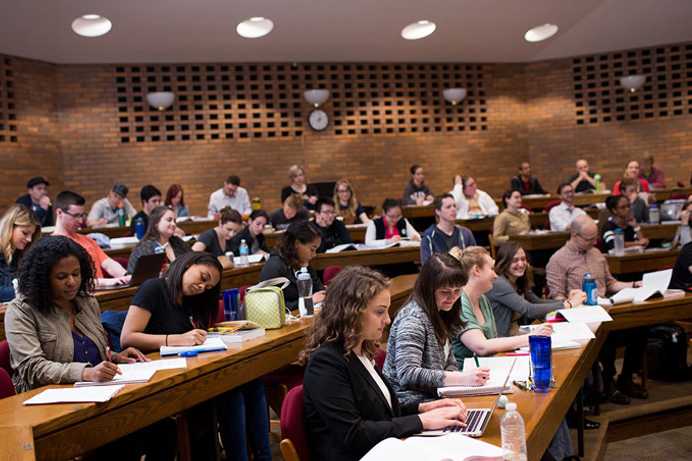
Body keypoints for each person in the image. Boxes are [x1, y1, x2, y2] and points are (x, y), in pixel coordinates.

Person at [4, 236, 174, 460]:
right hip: (50, 407)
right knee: (118, 439)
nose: (72, 282)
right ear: (42, 278)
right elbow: (33, 369)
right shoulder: (21, 311)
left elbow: (92, 350)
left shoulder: (87, 301)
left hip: (98, 398)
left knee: (162, 427)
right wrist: (86, 372)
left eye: (76, 274)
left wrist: (114, 357)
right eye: (62, 277)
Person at [302, 266, 469, 461]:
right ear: (351, 312)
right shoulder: (326, 362)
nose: (388, 320)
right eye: (380, 312)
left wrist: (424, 408)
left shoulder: (361, 351)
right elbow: (353, 434)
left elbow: (383, 412)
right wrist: (421, 421)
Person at [120, 252, 271, 461]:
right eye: (203, 278)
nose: (202, 287)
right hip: (161, 375)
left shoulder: (192, 300)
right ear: (189, 264)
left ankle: (264, 456)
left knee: (253, 382)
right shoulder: (154, 288)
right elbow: (127, 338)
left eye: (208, 287)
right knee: (232, 394)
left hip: (191, 366)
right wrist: (176, 339)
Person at [546, 215, 647, 403]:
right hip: (582, 319)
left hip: (606, 309)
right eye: (589, 239)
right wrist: (575, 301)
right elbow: (556, 297)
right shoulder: (558, 259)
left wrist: (635, 285)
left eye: (595, 238)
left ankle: (625, 378)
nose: (594, 242)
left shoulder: (596, 253)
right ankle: (607, 386)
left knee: (640, 329)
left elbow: (611, 283)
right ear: (574, 235)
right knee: (604, 338)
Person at [384, 253, 489, 408]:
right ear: (428, 289)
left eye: (457, 291)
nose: (452, 297)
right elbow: (407, 374)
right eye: (445, 292)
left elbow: (449, 362)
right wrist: (461, 379)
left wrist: (456, 381)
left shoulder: (442, 312)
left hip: (436, 397)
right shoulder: (412, 319)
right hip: (411, 405)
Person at [449, 246, 552, 365]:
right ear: (477, 270)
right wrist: (531, 337)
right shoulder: (460, 303)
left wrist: (532, 333)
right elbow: (481, 347)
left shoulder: (482, 299)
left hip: (489, 369)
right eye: (492, 269)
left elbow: (493, 341)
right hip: (467, 377)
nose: (495, 275)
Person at [487, 241, 585, 337]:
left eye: (523, 259)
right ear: (504, 262)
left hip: (517, 333)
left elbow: (536, 301)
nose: (521, 264)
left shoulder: (518, 280)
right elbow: (529, 309)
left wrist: (568, 300)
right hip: (502, 340)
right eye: (515, 260)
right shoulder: (499, 283)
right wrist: (568, 304)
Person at [52, 191, 131, 288]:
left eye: (81, 215)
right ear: (59, 213)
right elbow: (73, 281)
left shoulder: (87, 240)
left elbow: (108, 264)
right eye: (76, 216)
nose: (80, 221)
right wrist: (107, 282)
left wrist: (126, 276)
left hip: (101, 293)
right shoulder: (53, 245)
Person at [259, 221, 325, 309]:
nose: (314, 255)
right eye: (312, 249)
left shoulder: (302, 262)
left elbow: (319, 289)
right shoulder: (274, 267)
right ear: (297, 244)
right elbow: (271, 306)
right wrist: (308, 301)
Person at [127, 206, 190, 274]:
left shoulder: (177, 242)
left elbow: (193, 260)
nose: (173, 224)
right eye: (169, 220)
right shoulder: (143, 249)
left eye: (174, 221)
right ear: (156, 223)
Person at [0, 205, 40, 303]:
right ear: (10, 227)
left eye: (32, 235)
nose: (29, 239)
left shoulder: (20, 253)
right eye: (25, 233)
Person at [421, 193, 476, 264]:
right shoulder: (429, 237)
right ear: (438, 211)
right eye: (448, 207)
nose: (453, 209)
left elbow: (475, 259)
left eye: (454, 206)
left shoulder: (465, 233)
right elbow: (427, 267)